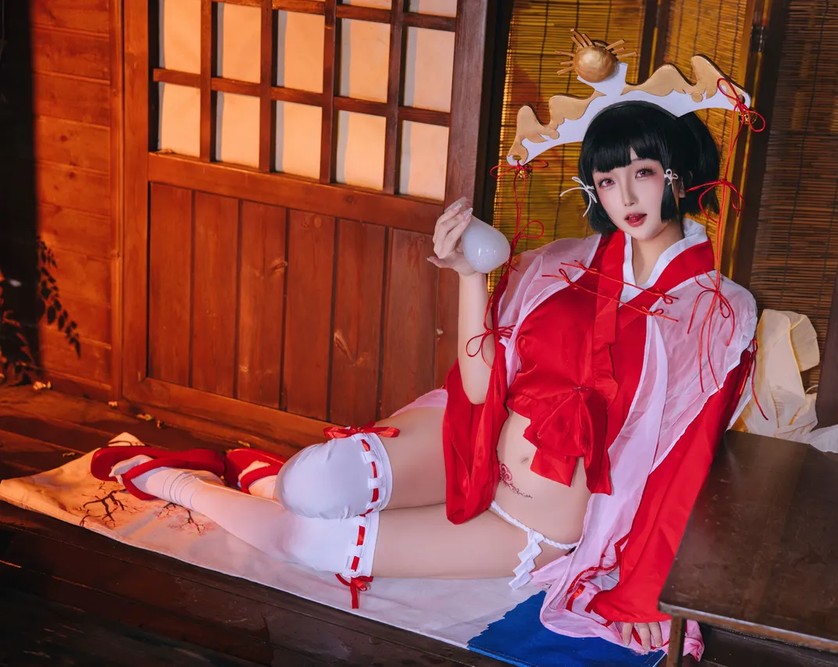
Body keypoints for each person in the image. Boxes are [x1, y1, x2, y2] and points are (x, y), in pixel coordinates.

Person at [90, 100, 757, 657]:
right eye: (607, 180)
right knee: (309, 483)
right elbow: (481, 387)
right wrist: (469, 277)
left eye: (643, 173)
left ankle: (174, 480)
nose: (626, 196)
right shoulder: (559, 266)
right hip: (472, 448)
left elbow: (685, 465)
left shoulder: (718, 310)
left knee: (312, 543)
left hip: (528, 519)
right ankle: (268, 478)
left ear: (677, 174)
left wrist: (642, 592)